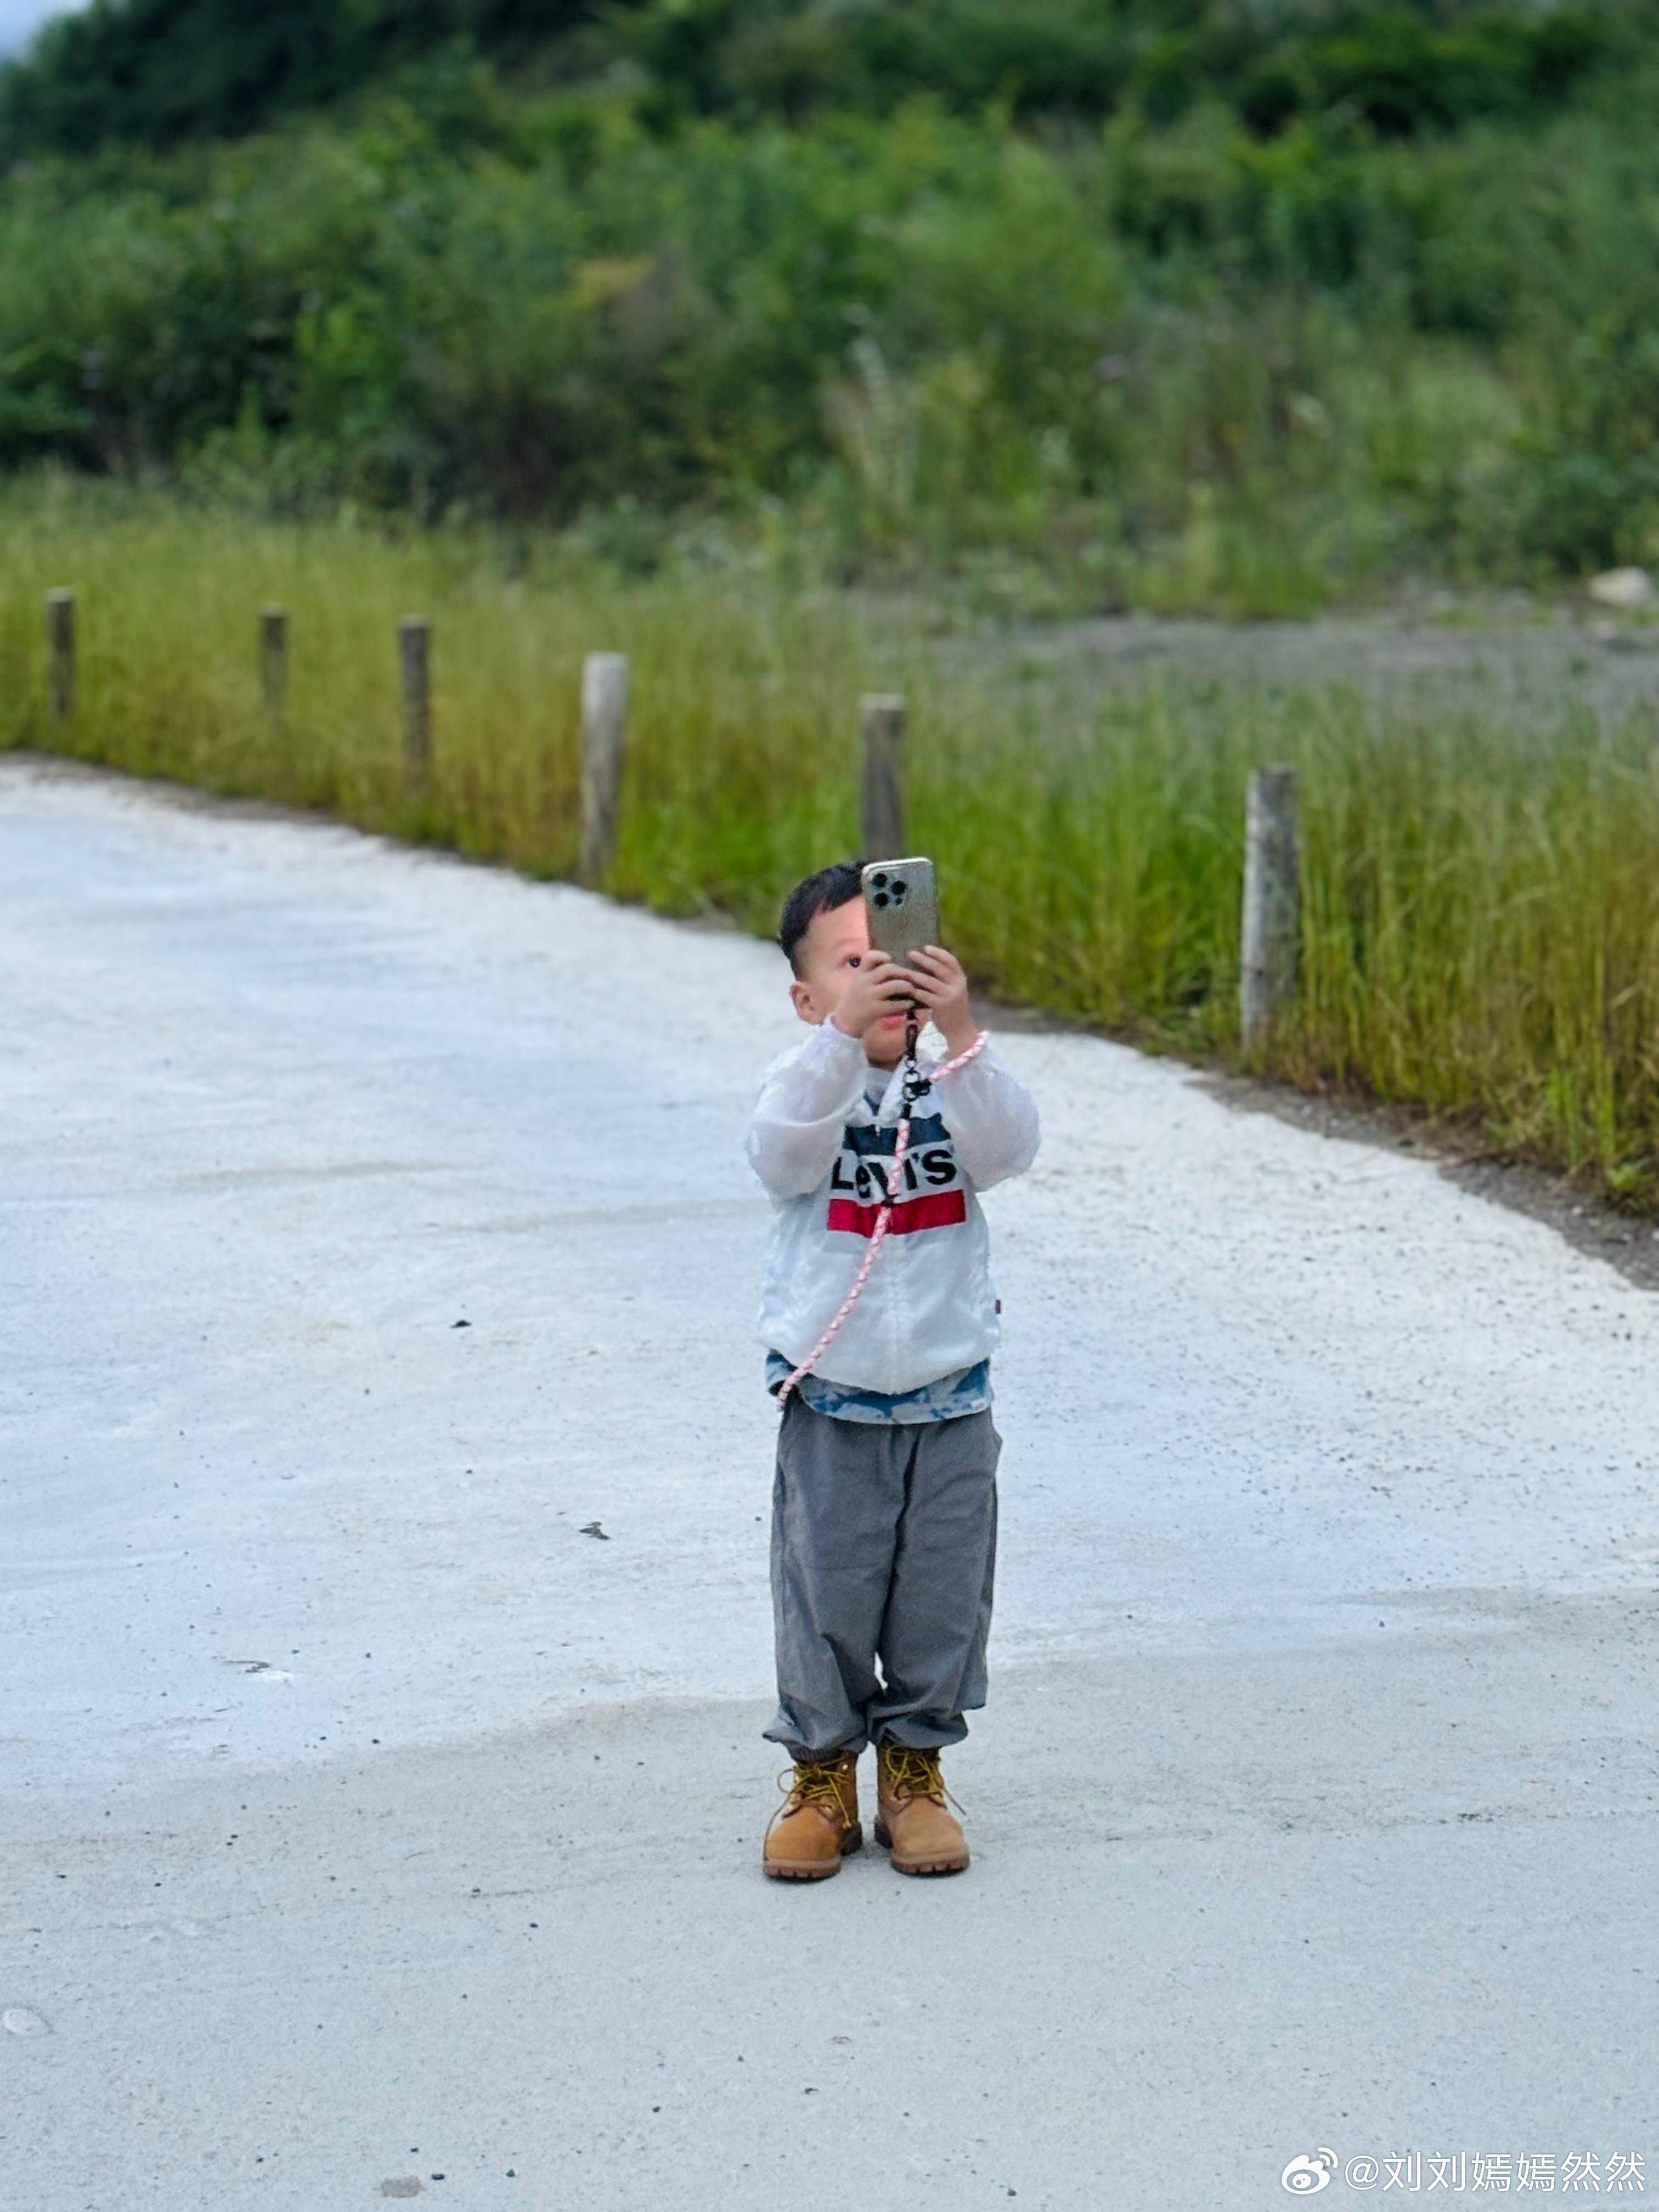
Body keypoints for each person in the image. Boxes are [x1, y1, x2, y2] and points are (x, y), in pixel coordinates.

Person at [746, 860, 1040, 1881]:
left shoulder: (957, 1080)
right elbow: (780, 1158)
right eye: (853, 965)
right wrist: (836, 1052)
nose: (880, 981)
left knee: (942, 1594)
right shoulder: (803, 1086)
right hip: (832, 1397)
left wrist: (961, 1038)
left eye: (897, 959)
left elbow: (1008, 1150)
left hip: (951, 1394)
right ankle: (822, 1773)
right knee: (828, 1588)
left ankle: (915, 1770)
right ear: (807, 997)